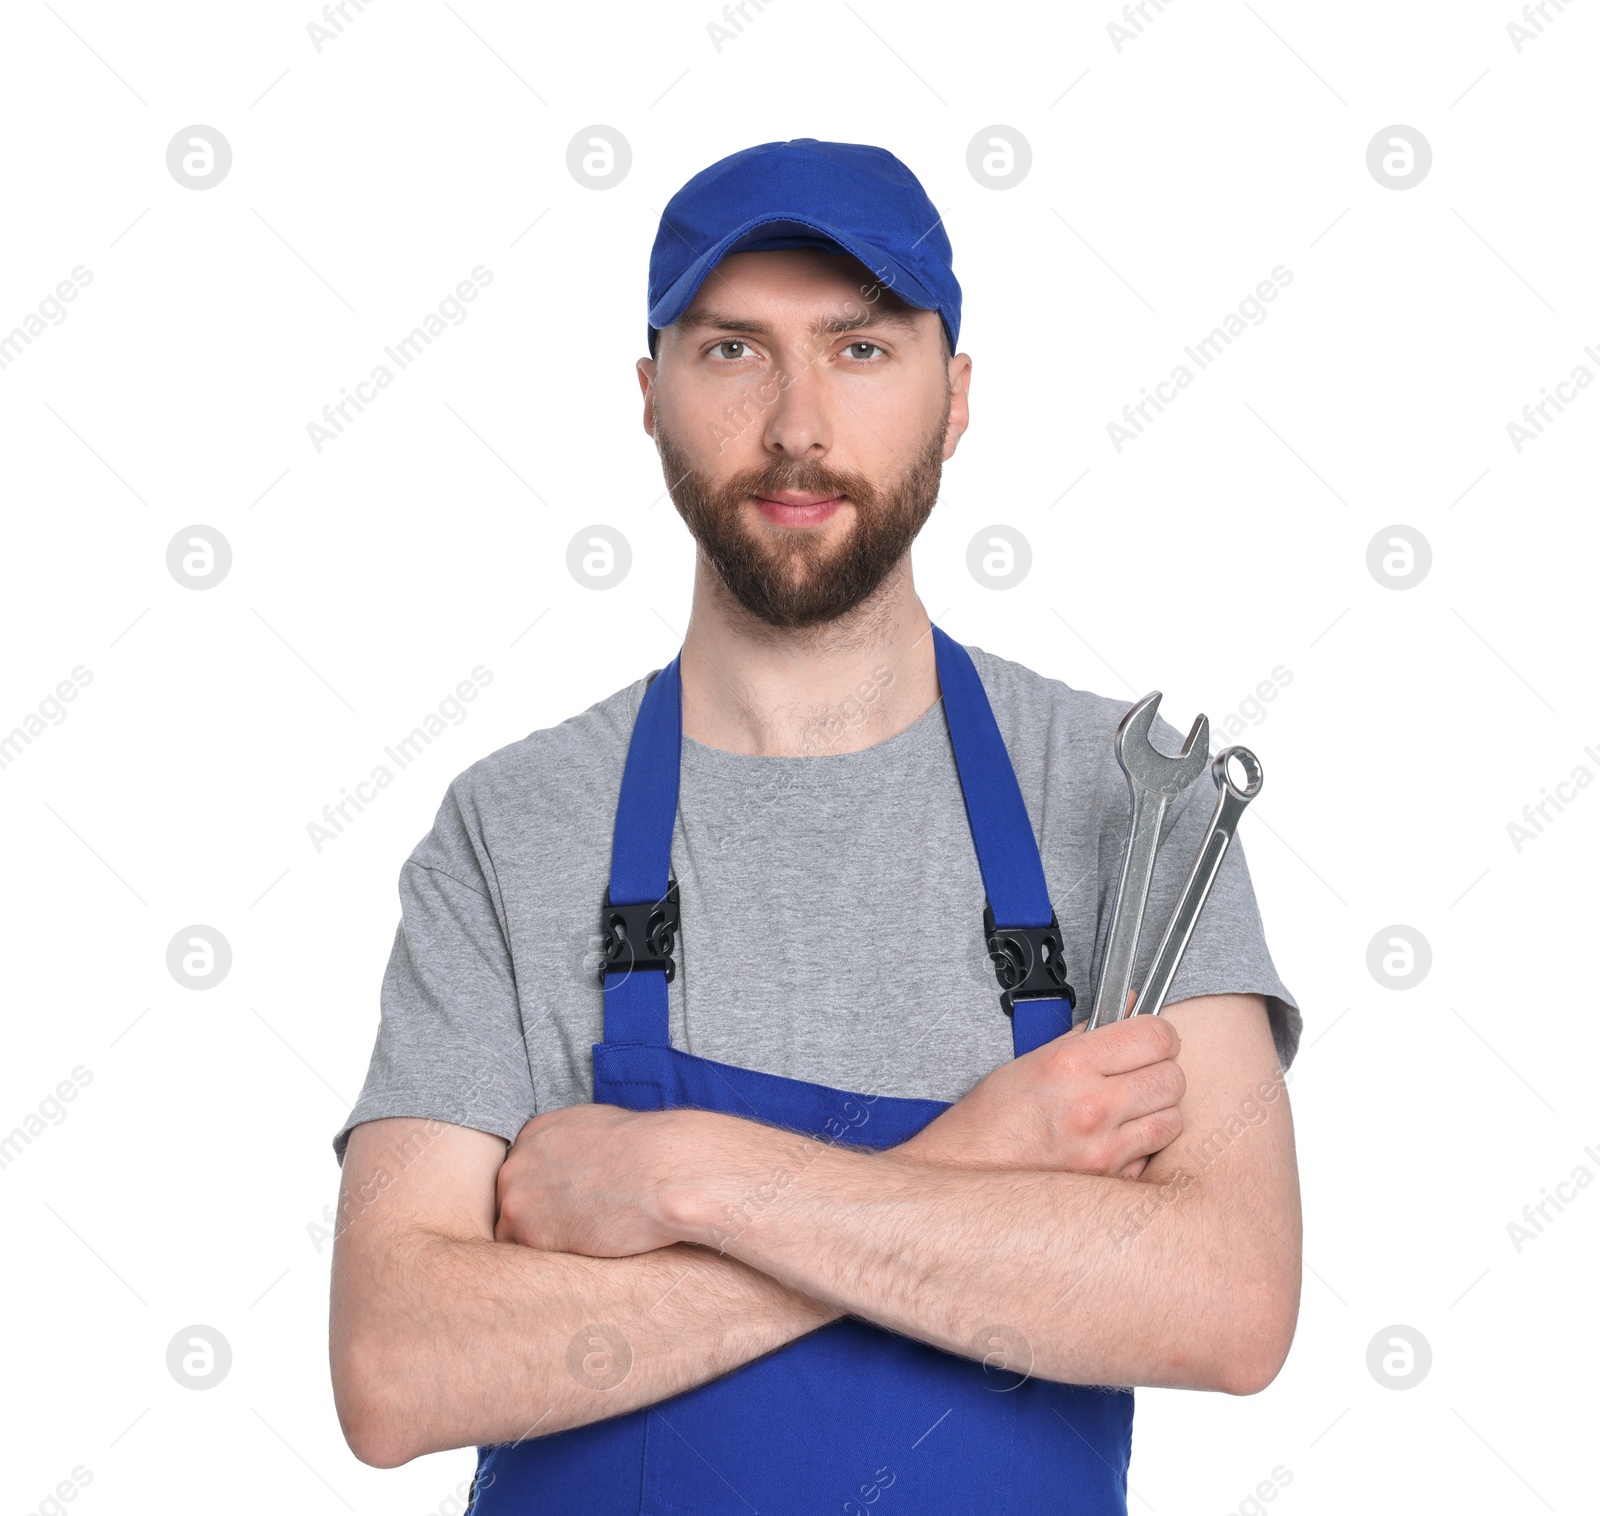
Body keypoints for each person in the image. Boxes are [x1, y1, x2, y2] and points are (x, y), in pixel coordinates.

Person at [327, 138, 1303, 1514]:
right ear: (651, 395)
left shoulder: (1128, 803)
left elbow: (1227, 1299)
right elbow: (395, 1366)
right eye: (733, 352)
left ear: (955, 398)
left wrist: (683, 1179)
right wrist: (976, 1167)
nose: (796, 425)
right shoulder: (513, 825)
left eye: (859, 350)